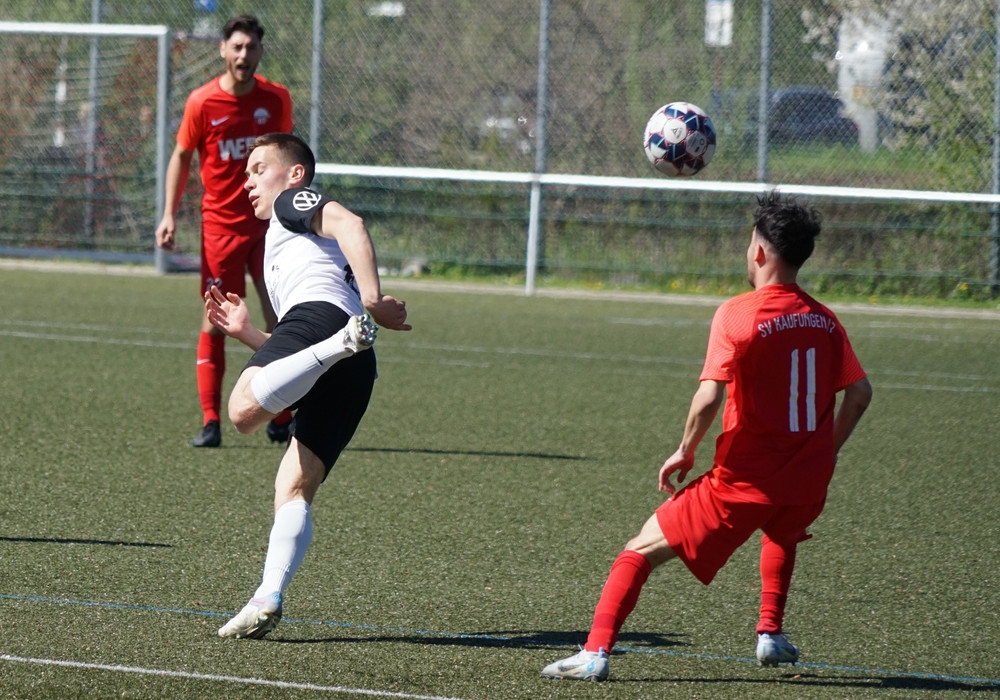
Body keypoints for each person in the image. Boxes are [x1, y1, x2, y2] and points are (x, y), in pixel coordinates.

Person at [541, 191, 873, 681]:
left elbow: (709, 395)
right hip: (807, 482)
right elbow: (860, 393)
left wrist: (685, 450)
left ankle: (594, 652)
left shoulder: (739, 313)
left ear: (759, 251)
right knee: (783, 531)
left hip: (743, 481)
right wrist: (825, 451)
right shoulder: (825, 319)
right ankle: (770, 633)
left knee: (639, 549)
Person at [207, 132, 410, 639]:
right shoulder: (290, 241)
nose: (248, 181)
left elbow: (349, 222)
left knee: (241, 412)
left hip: (328, 326)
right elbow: (298, 362)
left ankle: (343, 341)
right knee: (294, 487)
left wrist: (373, 300)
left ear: (294, 174)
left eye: (258, 169)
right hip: (353, 360)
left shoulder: (289, 204)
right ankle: (267, 596)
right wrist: (249, 334)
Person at [155, 14, 294, 448]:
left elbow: (289, 159)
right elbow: (181, 156)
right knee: (216, 321)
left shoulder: (276, 99)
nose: (243, 54)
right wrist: (168, 214)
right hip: (221, 230)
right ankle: (211, 421)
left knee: (282, 319)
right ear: (222, 50)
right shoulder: (202, 102)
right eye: (237, 47)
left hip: (270, 228)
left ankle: (281, 417)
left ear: (260, 52)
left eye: (251, 47)